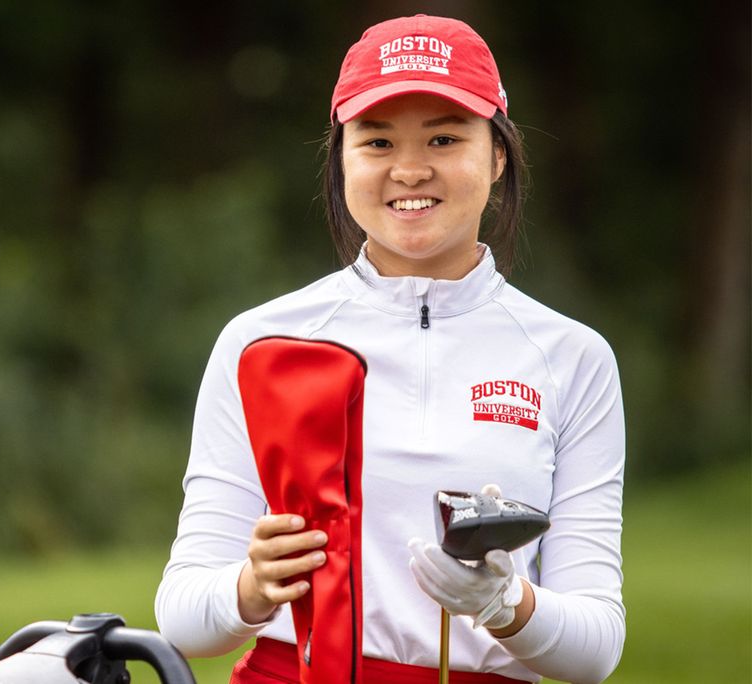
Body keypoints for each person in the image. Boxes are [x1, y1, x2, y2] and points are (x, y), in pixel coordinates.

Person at [155, 14, 625, 684]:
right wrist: (252, 588)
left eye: (443, 136)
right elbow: (182, 619)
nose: (409, 169)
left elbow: (596, 649)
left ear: (497, 155)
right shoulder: (260, 343)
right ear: (342, 159)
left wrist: (506, 603)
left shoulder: (573, 358)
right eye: (376, 142)